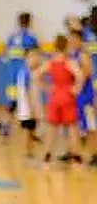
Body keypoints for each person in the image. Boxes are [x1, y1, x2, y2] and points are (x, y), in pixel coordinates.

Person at [38, 34, 82, 164]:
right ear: (66, 46)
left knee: (52, 127)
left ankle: (47, 154)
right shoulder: (69, 62)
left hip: (55, 95)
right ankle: (76, 156)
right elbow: (79, 75)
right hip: (67, 95)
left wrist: (46, 87)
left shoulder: (50, 62)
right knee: (73, 127)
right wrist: (76, 89)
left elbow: (35, 75)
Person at [4, 12, 39, 135]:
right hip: (24, 76)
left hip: (11, 76)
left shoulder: (11, 38)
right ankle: (31, 134)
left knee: (12, 104)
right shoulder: (31, 38)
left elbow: (6, 57)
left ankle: (6, 128)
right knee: (29, 105)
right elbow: (35, 57)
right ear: (29, 22)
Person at [66, 29, 96, 165]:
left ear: (79, 40)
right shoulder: (72, 55)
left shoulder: (83, 55)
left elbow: (87, 72)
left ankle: (94, 154)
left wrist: (77, 86)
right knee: (75, 126)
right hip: (76, 96)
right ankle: (74, 152)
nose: (71, 41)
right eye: (69, 39)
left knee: (90, 127)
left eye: (73, 39)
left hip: (85, 96)